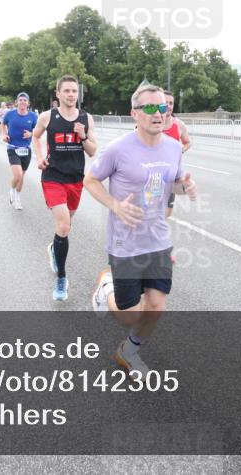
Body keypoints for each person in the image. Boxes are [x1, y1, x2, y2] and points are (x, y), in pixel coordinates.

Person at [86, 83, 197, 374]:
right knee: (129, 315)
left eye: (162, 107)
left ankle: (129, 351)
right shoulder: (117, 149)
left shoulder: (173, 147)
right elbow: (91, 180)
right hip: (125, 242)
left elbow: (171, 184)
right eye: (149, 107)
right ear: (134, 113)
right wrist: (115, 205)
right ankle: (105, 288)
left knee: (157, 306)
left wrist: (185, 187)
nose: (158, 113)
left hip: (158, 238)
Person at [32, 75, 98, 301]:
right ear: (58, 93)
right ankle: (61, 278)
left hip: (75, 179)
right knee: (63, 224)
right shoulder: (47, 116)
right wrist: (39, 157)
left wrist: (83, 136)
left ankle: (54, 249)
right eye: (66, 91)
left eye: (74, 91)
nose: (71, 95)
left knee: (66, 227)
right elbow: (36, 136)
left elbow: (92, 151)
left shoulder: (85, 118)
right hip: (52, 176)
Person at [2, 93, 38, 210]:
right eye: (20, 100)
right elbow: (3, 125)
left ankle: (17, 198)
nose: (22, 102)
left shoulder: (33, 116)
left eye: (25, 100)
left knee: (22, 176)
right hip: (12, 148)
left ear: (28, 103)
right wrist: (4, 134)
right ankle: (12, 190)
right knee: (17, 175)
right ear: (17, 102)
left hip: (26, 149)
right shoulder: (10, 114)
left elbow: (38, 131)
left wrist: (31, 134)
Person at [161, 89, 192, 218]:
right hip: (151, 174)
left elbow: (188, 142)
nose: (168, 106)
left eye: (171, 103)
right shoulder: (150, 122)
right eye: (165, 103)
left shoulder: (179, 124)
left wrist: (180, 151)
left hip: (171, 174)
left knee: (167, 211)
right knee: (149, 210)